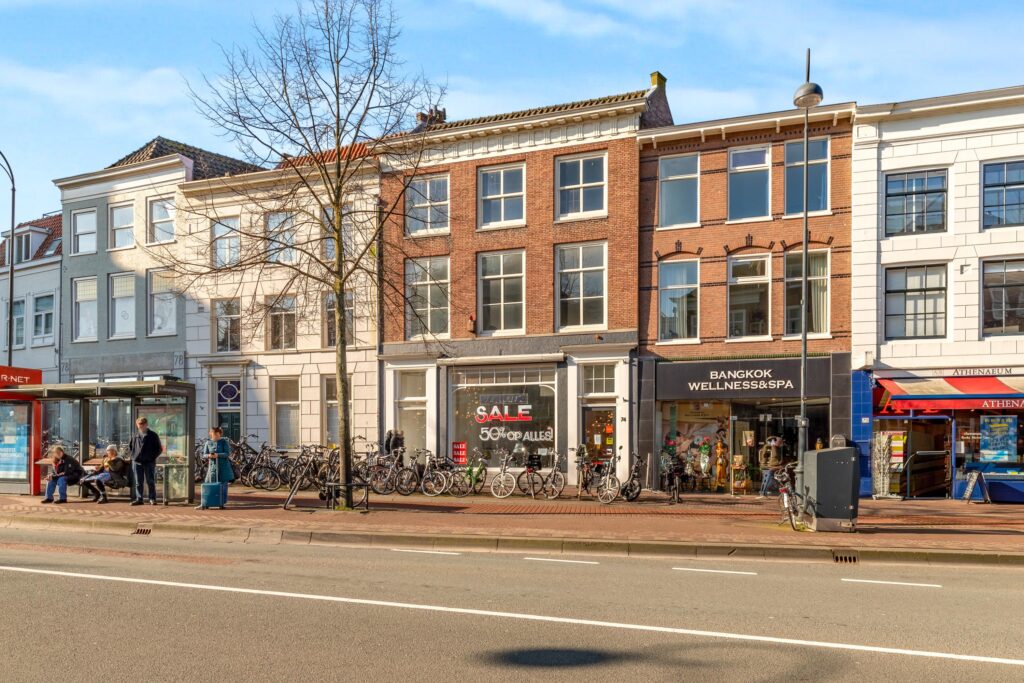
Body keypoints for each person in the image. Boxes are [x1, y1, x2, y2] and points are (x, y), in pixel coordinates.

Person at [198, 426, 234, 510]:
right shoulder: (208, 443)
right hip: (212, 468)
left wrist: (218, 455)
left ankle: (221, 503)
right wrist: (209, 456)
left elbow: (227, 453)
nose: (216, 436)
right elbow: (204, 454)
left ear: (220, 434)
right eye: (214, 435)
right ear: (211, 434)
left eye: (217, 435)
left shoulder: (224, 442)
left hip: (223, 468)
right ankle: (205, 502)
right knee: (208, 483)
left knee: (223, 485)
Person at [129, 417, 162, 506]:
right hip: (137, 462)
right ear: (137, 425)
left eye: (143, 424)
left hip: (149, 462)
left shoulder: (153, 435)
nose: (141, 426)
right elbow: (130, 447)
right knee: (138, 482)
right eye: (139, 425)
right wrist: (133, 456)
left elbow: (159, 449)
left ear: (146, 424)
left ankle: (152, 499)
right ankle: (139, 499)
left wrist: (151, 458)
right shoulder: (135, 435)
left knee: (150, 481)